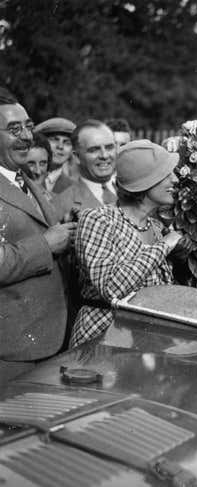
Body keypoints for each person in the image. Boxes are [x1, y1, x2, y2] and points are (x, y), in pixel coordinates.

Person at [71, 140, 183, 347]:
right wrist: (165, 246)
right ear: (144, 182)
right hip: (102, 337)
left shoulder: (157, 227)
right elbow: (111, 288)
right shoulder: (99, 219)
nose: (175, 180)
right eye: (166, 175)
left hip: (145, 340)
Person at [0, 87, 77, 384]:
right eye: (13, 129)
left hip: (50, 339)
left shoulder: (26, 178)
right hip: (13, 350)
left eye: (29, 126)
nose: (26, 137)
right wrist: (46, 244)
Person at [53, 119, 118, 216]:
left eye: (109, 148)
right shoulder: (61, 205)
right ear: (76, 157)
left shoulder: (136, 191)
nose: (104, 156)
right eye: (94, 150)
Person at [34, 117, 77, 193]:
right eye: (54, 140)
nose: (60, 146)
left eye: (67, 143)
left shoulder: (75, 189)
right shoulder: (24, 177)